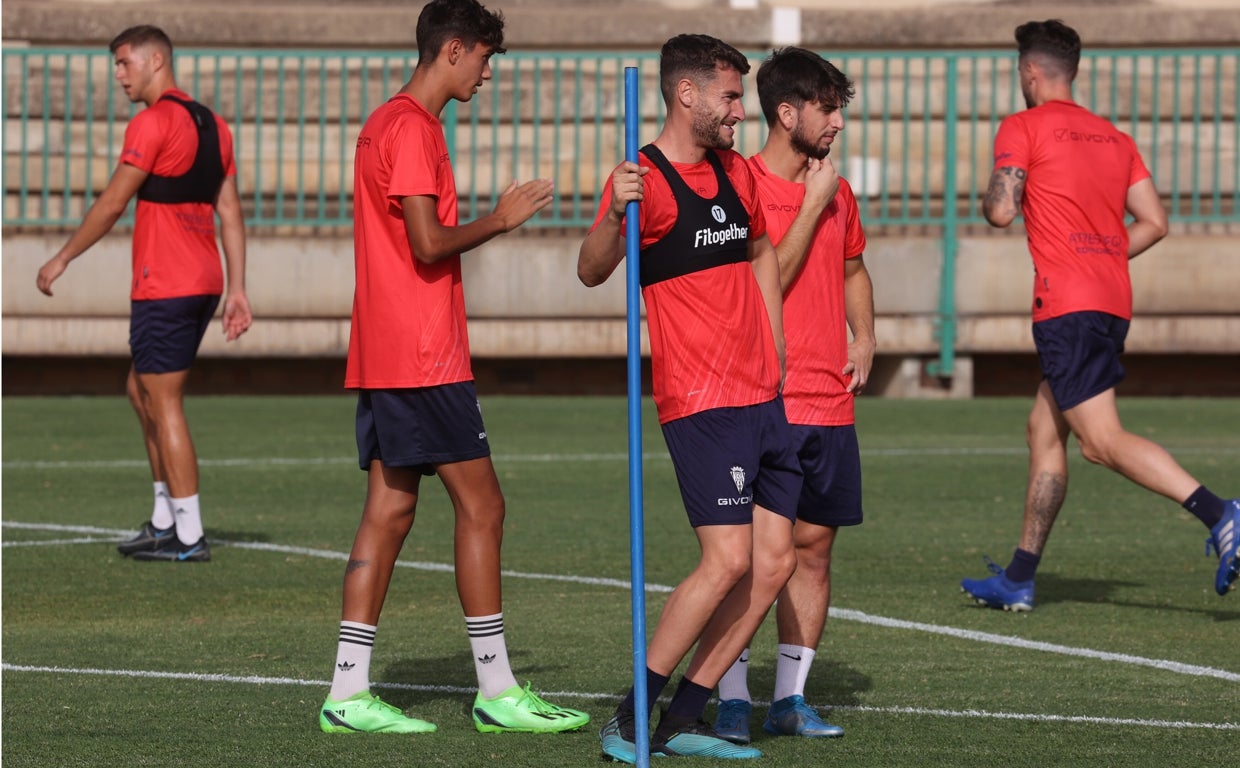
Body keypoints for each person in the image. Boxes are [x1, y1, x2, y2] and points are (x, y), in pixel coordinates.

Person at [318, 0, 589, 737]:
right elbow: (428, 243)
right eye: (485, 58)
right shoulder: (411, 127)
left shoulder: (385, 121)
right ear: (453, 50)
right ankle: (496, 690)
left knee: (391, 511)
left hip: (387, 350)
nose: (489, 73)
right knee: (484, 507)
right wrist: (502, 219)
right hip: (420, 353)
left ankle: (347, 692)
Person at [961, 19, 1239, 611]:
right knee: (1044, 428)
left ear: (1031, 73)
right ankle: (1019, 575)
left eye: (1019, 71)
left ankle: (1221, 513)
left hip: (1067, 306)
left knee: (1101, 442)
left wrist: (996, 191)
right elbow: (1155, 222)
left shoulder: (1023, 126)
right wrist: (1104, 249)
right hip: (1112, 300)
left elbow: (1001, 212)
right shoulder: (1114, 138)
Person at [578, 34, 803, 763]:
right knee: (727, 561)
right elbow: (588, 270)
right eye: (731, 96)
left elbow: (763, 251)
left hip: (762, 395)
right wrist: (614, 214)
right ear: (687, 94)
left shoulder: (736, 172)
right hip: (701, 399)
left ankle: (678, 721)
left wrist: (776, 351)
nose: (742, 110)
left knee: (775, 565)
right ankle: (628, 718)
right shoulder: (642, 181)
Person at [36, 25, 252, 564]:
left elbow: (111, 204)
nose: (118, 75)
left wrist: (62, 257)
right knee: (140, 389)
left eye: (124, 63)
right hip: (202, 283)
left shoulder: (152, 122)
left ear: (156, 60)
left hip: (168, 285)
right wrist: (238, 289)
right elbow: (229, 212)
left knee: (164, 399)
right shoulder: (215, 125)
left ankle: (188, 534)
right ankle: (163, 519)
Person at [711, 47, 873, 746]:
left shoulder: (836, 189)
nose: (837, 122)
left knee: (814, 551)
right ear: (786, 113)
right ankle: (729, 698)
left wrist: (863, 337)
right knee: (748, 555)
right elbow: (768, 273)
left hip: (828, 400)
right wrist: (811, 203)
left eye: (840, 108)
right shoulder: (738, 184)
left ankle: (790, 699)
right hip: (762, 398)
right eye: (827, 108)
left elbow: (855, 268)